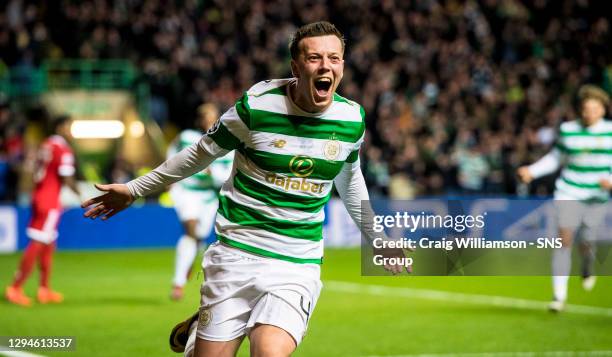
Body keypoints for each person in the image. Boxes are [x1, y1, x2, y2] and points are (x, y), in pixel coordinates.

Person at [82, 21, 406, 357]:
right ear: (296, 67)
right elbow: (199, 153)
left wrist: (378, 239)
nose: (325, 66)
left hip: (296, 260)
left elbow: (349, 180)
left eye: (334, 58)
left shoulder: (351, 118)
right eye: (314, 58)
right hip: (238, 252)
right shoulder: (258, 106)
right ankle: (199, 333)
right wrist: (135, 188)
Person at [517, 84, 612, 312]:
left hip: (596, 196)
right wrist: (532, 170)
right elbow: (555, 158)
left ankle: (587, 265)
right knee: (564, 239)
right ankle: (559, 295)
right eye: (586, 108)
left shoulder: (610, 132)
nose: (589, 113)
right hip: (569, 191)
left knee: (587, 241)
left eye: (594, 108)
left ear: (602, 110)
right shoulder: (569, 130)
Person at [5, 115, 80, 306]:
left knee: (48, 243)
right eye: (70, 127)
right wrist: (84, 196)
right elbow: (67, 178)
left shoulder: (46, 144)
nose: (71, 131)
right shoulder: (63, 149)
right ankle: (15, 287)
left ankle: (44, 289)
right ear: (61, 127)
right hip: (50, 200)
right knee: (38, 243)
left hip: (39, 195)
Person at [168, 103, 234, 300]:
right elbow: (173, 149)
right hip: (187, 192)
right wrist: (170, 176)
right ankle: (178, 283)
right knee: (191, 231)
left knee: (198, 236)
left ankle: (188, 261)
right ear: (200, 120)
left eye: (213, 116)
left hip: (209, 197)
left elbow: (226, 176)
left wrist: (212, 173)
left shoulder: (227, 146)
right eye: (205, 117)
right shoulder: (188, 137)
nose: (209, 120)